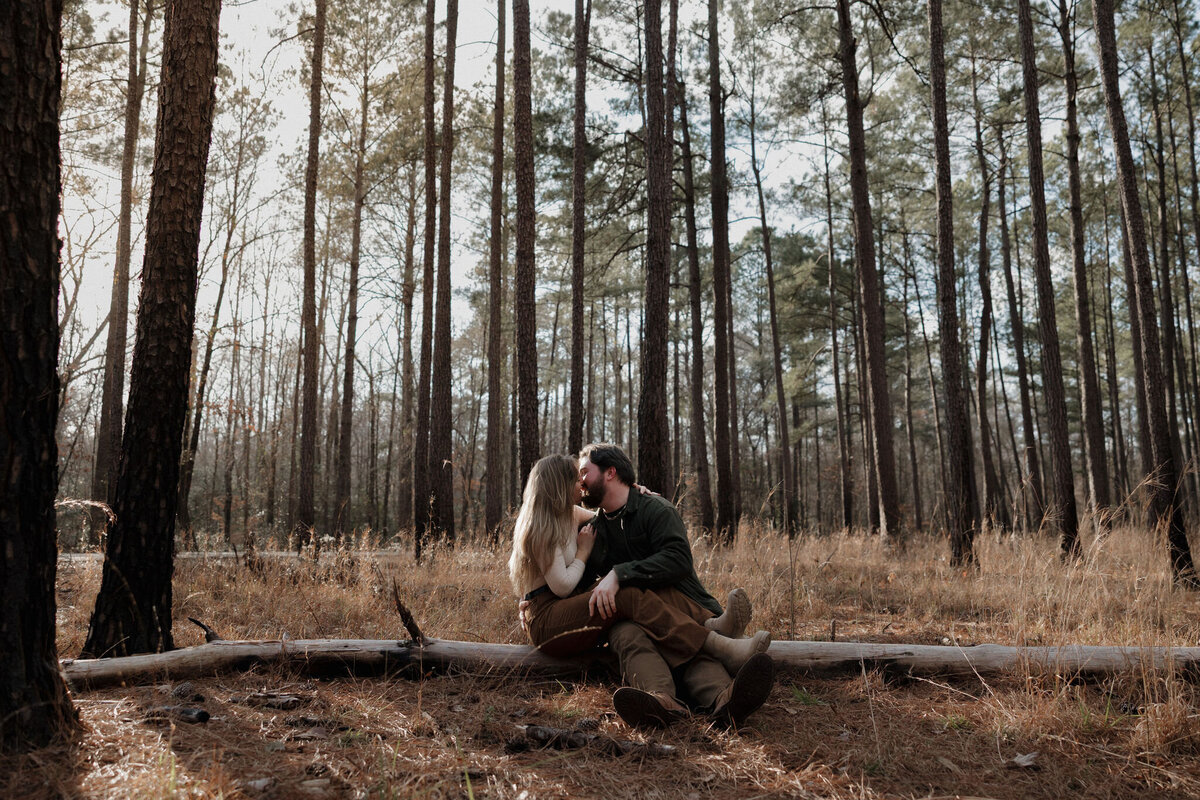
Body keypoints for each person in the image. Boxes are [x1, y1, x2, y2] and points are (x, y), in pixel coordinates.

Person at [509, 454, 769, 676]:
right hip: (546, 619)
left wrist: (632, 492)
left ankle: (713, 625)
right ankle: (718, 646)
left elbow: (610, 514)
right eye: (576, 479)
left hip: (564, 608)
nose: (582, 483)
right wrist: (584, 551)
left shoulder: (569, 513)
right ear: (560, 485)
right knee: (624, 593)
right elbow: (563, 586)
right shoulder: (539, 528)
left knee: (634, 584)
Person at [576, 442, 775, 729]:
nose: (581, 481)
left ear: (610, 472)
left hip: (682, 607)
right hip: (636, 619)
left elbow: (678, 560)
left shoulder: (654, 509)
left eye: (585, 472)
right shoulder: (595, 530)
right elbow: (553, 511)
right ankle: (661, 701)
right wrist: (536, 596)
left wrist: (619, 573)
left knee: (676, 633)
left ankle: (726, 700)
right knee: (624, 632)